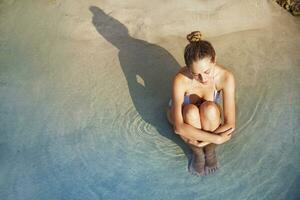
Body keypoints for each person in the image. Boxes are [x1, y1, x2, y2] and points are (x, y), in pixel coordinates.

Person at [166, 31, 236, 176]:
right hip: (182, 115)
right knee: (191, 111)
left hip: (208, 117)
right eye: (195, 74)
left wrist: (205, 143)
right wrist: (215, 139)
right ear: (188, 68)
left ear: (214, 60)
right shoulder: (180, 79)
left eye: (207, 71)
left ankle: (210, 151)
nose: (203, 78)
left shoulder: (225, 77)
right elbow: (179, 128)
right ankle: (197, 154)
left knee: (209, 108)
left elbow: (230, 123)